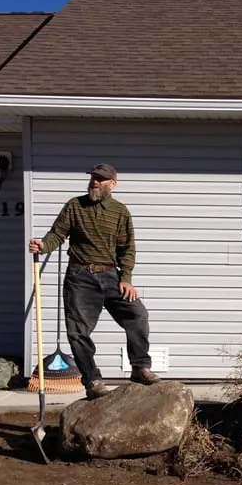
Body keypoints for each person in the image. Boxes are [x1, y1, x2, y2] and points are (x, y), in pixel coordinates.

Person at [29, 162, 160, 399]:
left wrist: (126, 278)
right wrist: (43, 245)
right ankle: (92, 380)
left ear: (113, 184)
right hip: (80, 277)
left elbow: (127, 248)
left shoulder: (120, 212)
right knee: (77, 332)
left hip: (111, 275)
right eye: (92, 178)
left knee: (138, 315)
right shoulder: (74, 205)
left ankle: (140, 367)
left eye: (100, 179)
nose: (94, 182)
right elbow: (57, 234)